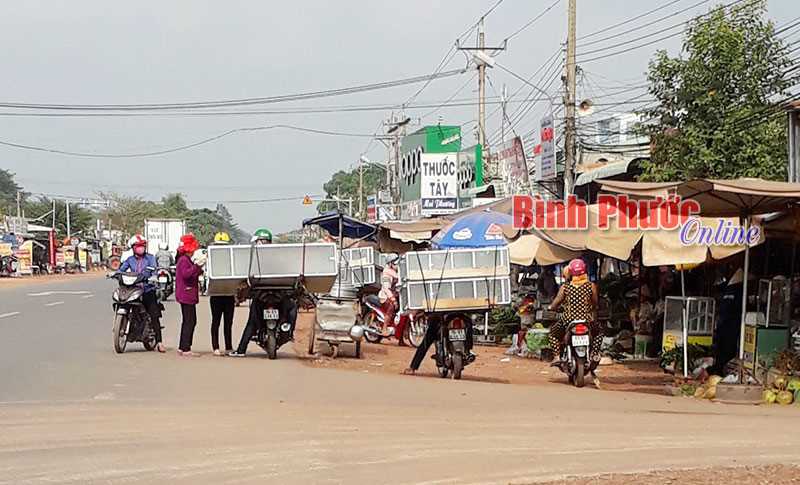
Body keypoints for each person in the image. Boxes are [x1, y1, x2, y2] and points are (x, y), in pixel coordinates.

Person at [230, 228, 299, 357]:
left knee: (252, 322)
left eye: (262, 241)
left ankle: (241, 350)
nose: (262, 244)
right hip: (270, 295)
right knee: (292, 308)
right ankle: (289, 332)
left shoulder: (253, 257)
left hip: (268, 295)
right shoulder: (275, 256)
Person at [547, 259, 602, 368]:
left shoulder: (565, 287)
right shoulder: (591, 286)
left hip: (568, 319)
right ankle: (595, 354)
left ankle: (557, 356)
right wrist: (593, 308)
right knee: (599, 333)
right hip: (587, 319)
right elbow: (595, 302)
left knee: (553, 334)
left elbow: (555, 303)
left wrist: (551, 307)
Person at [118, 234, 165, 353]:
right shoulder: (130, 260)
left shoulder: (150, 258)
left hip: (147, 289)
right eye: (138, 246)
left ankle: (159, 342)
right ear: (133, 248)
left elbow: (153, 268)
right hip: (133, 289)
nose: (141, 248)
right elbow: (122, 269)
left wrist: (151, 274)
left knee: (154, 315)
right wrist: (116, 274)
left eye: (143, 246)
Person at [175, 233, 205, 357]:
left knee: (187, 321)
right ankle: (186, 348)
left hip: (186, 294)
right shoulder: (183, 260)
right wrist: (197, 266)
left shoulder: (184, 259)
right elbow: (187, 275)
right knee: (190, 321)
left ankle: (183, 347)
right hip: (186, 295)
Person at [209, 232, 235, 356]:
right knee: (216, 321)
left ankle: (229, 347)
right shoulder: (211, 258)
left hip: (229, 293)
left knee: (228, 323)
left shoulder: (231, 257)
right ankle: (215, 347)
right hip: (216, 294)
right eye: (218, 245)